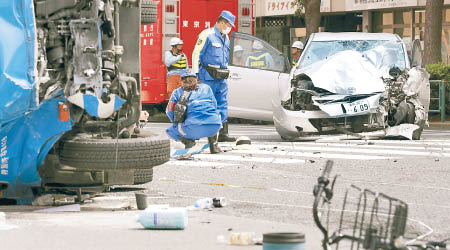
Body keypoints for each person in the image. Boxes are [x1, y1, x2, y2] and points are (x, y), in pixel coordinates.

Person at [192, 10, 236, 142]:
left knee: (222, 103)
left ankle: (223, 133)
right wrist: (195, 75)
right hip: (208, 75)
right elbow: (196, 54)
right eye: (228, 25)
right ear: (222, 22)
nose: (229, 28)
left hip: (221, 76)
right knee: (207, 103)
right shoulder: (207, 34)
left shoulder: (225, 37)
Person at [166, 70, 222, 154]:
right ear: (196, 78)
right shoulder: (206, 88)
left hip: (192, 127)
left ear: (181, 80)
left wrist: (177, 123)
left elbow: (170, 111)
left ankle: (189, 142)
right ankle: (213, 145)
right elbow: (214, 106)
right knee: (215, 115)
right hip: (214, 126)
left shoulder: (177, 92)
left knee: (170, 131)